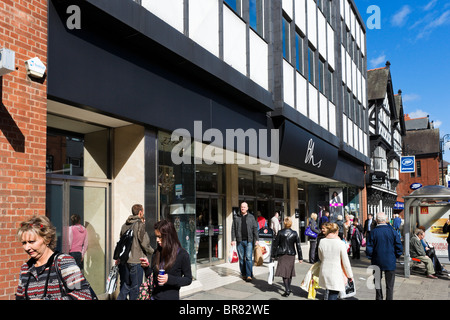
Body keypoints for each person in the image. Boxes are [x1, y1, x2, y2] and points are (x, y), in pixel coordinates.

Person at [16, 215, 94, 300]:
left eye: (31, 242)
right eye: (24, 243)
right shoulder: (25, 269)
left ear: (47, 239)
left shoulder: (63, 262)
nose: (27, 247)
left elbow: (84, 296)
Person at [140, 219, 192, 300]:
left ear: (169, 236)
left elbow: (188, 279)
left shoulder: (182, 255)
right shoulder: (156, 253)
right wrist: (146, 267)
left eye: (160, 237)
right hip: (154, 297)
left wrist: (169, 279)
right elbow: (152, 277)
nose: (157, 240)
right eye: (156, 236)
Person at [117, 204, 154, 300]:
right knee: (135, 288)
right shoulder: (139, 224)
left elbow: (121, 241)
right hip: (136, 261)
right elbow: (145, 243)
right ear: (140, 212)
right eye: (143, 211)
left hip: (125, 261)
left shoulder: (124, 225)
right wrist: (153, 252)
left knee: (126, 285)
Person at [365, 212, 403, 300]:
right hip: (390, 260)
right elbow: (399, 246)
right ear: (386, 220)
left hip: (377, 260)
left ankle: (379, 297)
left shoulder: (373, 232)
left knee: (377, 282)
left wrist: (371, 257)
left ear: (377, 220)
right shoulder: (392, 231)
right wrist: (396, 255)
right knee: (390, 285)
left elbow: (369, 248)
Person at [318, 223, 354, 300]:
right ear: (336, 232)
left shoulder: (322, 241)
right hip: (336, 272)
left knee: (328, 292)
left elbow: (320, 257)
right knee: (333, 294)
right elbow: (346, 262)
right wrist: (350, 275)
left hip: (324, 270)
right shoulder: (340, 243)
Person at [271, 217, 303, 297]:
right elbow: (298, 246)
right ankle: (288, 287)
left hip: (283, 254)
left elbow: (275, 245)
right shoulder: (295, 233)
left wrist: (272, 255)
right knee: (289, 272)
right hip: (291, 254)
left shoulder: (280, 232)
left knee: (284, 273)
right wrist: (300, 257)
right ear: (291, 223)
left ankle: (287, 289)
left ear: (284, 223)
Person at [231, 202, 259, 282]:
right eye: (241, 207)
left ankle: (249, 275)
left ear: (247, 208)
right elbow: (233, 229)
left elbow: (255, 228)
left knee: (249, 258)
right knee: (241, 259)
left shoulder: (251, 217)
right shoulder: (236, 217)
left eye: (244, 207)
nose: (243, 208)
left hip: (249, 241)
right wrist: (233, 239)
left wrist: (257, 239)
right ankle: (243, 274)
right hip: (240, 241)